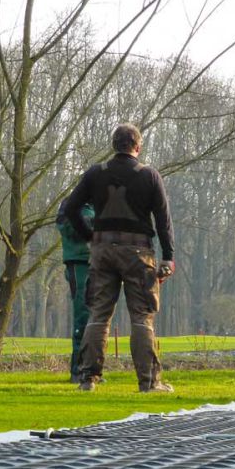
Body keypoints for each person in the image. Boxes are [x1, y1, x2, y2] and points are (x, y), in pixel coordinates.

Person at [65, 123, 176, 392]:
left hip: (102, 252)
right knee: (141, 316)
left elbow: (70, 209)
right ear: (137, 147)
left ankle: (88, 379)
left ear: (114, 145)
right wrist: (168, 257)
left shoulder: (95, 173)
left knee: (98, 314)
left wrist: (90, 235)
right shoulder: (149, 176)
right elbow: (163, 220)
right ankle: (149, 382)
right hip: (138, 253)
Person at [56, 200, 95, 383]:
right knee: (82, 314)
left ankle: (91, 370)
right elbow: (66, 228)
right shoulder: (70, 204)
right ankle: (78, 370)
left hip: (101, 262)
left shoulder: (101, 200)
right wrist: (90, 223)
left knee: (97, 317)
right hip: (78, 262)